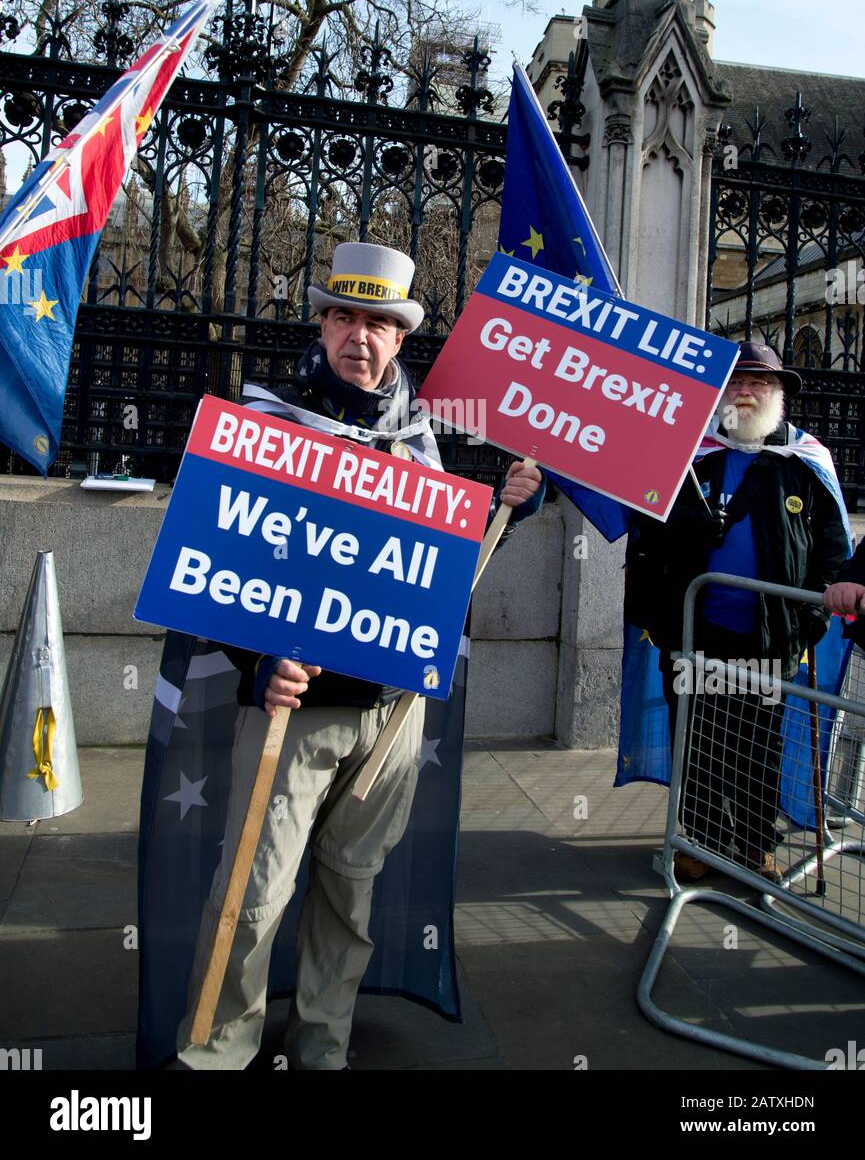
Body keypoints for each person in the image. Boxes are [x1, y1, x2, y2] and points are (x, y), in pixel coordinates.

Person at [172, 241, 543, 1070]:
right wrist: (256, 659)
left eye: (378, 322)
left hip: (390, 713)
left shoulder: (421, 437)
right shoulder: (266, 423)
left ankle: (322, 1048)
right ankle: (214, 1055)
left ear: (400, 338)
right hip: (291, 707)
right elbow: (220, 565)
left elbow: (440, 570)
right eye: (345, 316)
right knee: (253, 896)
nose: (359, 337)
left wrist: (511, 506)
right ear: (322, 322)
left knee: (350, 894)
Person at [625, 342, 849, 883]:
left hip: (770, 637)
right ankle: (698, 842)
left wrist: (808, 621)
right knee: (695, 737)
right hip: (692, 631)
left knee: (758, 743)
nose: (746, 393)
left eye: (759, 384)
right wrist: (658, 618)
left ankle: (753, 846)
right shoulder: (689, 455)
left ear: (777, 395)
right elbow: (648, 540)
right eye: (738, 383)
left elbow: (833, 555)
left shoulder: (806, 464)